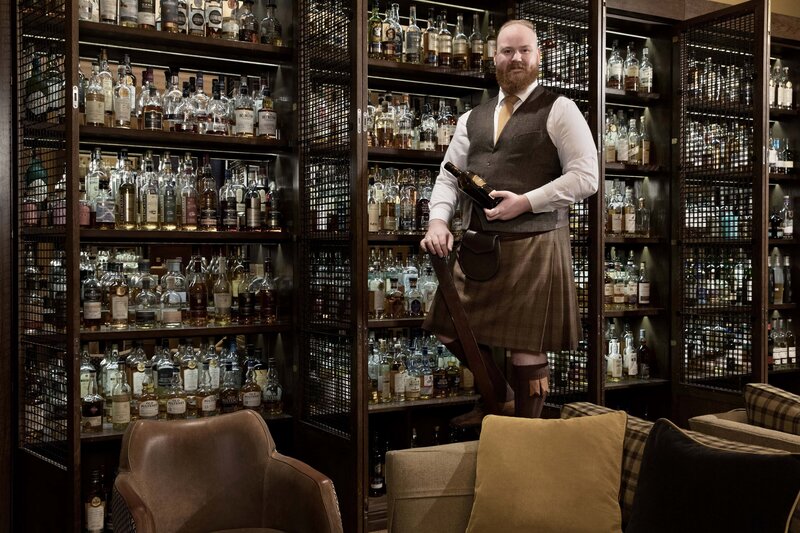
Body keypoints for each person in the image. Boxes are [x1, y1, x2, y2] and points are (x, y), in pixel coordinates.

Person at [420, 19, 598, 420]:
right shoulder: (473, 118)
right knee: (447, 325)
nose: (515, 58)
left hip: (535, 243)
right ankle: (500, 398)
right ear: (494, 57)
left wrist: (528, 201)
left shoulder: (559, 108)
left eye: (524, 50)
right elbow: (448, 176)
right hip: (478, 245)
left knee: (526, 347)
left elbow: (587, 177)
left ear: (538, 56)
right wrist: (438, 222)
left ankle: (524, 439)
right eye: (506, 51)